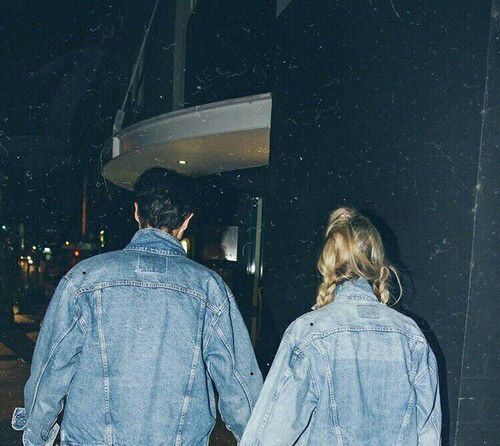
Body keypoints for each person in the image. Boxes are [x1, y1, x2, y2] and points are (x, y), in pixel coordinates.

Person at [12, 168, 262, 446]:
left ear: (136, 212)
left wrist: (35, 436)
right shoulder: (210, 288)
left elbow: (50, 369)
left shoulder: (84, 279)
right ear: (186, 221)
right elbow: (238, 384)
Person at [241, 207, 441, 445]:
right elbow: (429, 433)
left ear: (327, 261)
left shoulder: (308, 333)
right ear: (378, 262)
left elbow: (268, 435)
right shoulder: (412, 336)